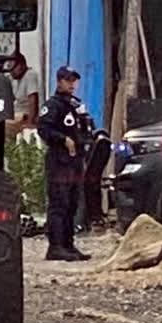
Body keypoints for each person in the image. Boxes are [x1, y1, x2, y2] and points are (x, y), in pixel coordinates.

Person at [36, 66, 95, 262]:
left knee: (72, 204)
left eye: (73, 80)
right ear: (59, 81)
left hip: (75, 161)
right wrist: (62, 140)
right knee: (59, 204)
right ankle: (56, 246)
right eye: (68, 80)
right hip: (59, 161)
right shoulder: (53, 105)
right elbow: (43, 128)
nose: (71, 84)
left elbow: (85, 126)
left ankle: (68, 245)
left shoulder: (75, 105)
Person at [5, 52, 40, 138]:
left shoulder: (30, 75)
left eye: (13, 68)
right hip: (16, 114)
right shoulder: (13, 79)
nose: (11, 71)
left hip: (25, 115)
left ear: (21, 65)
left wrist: (30, 122)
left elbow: (33, 100)